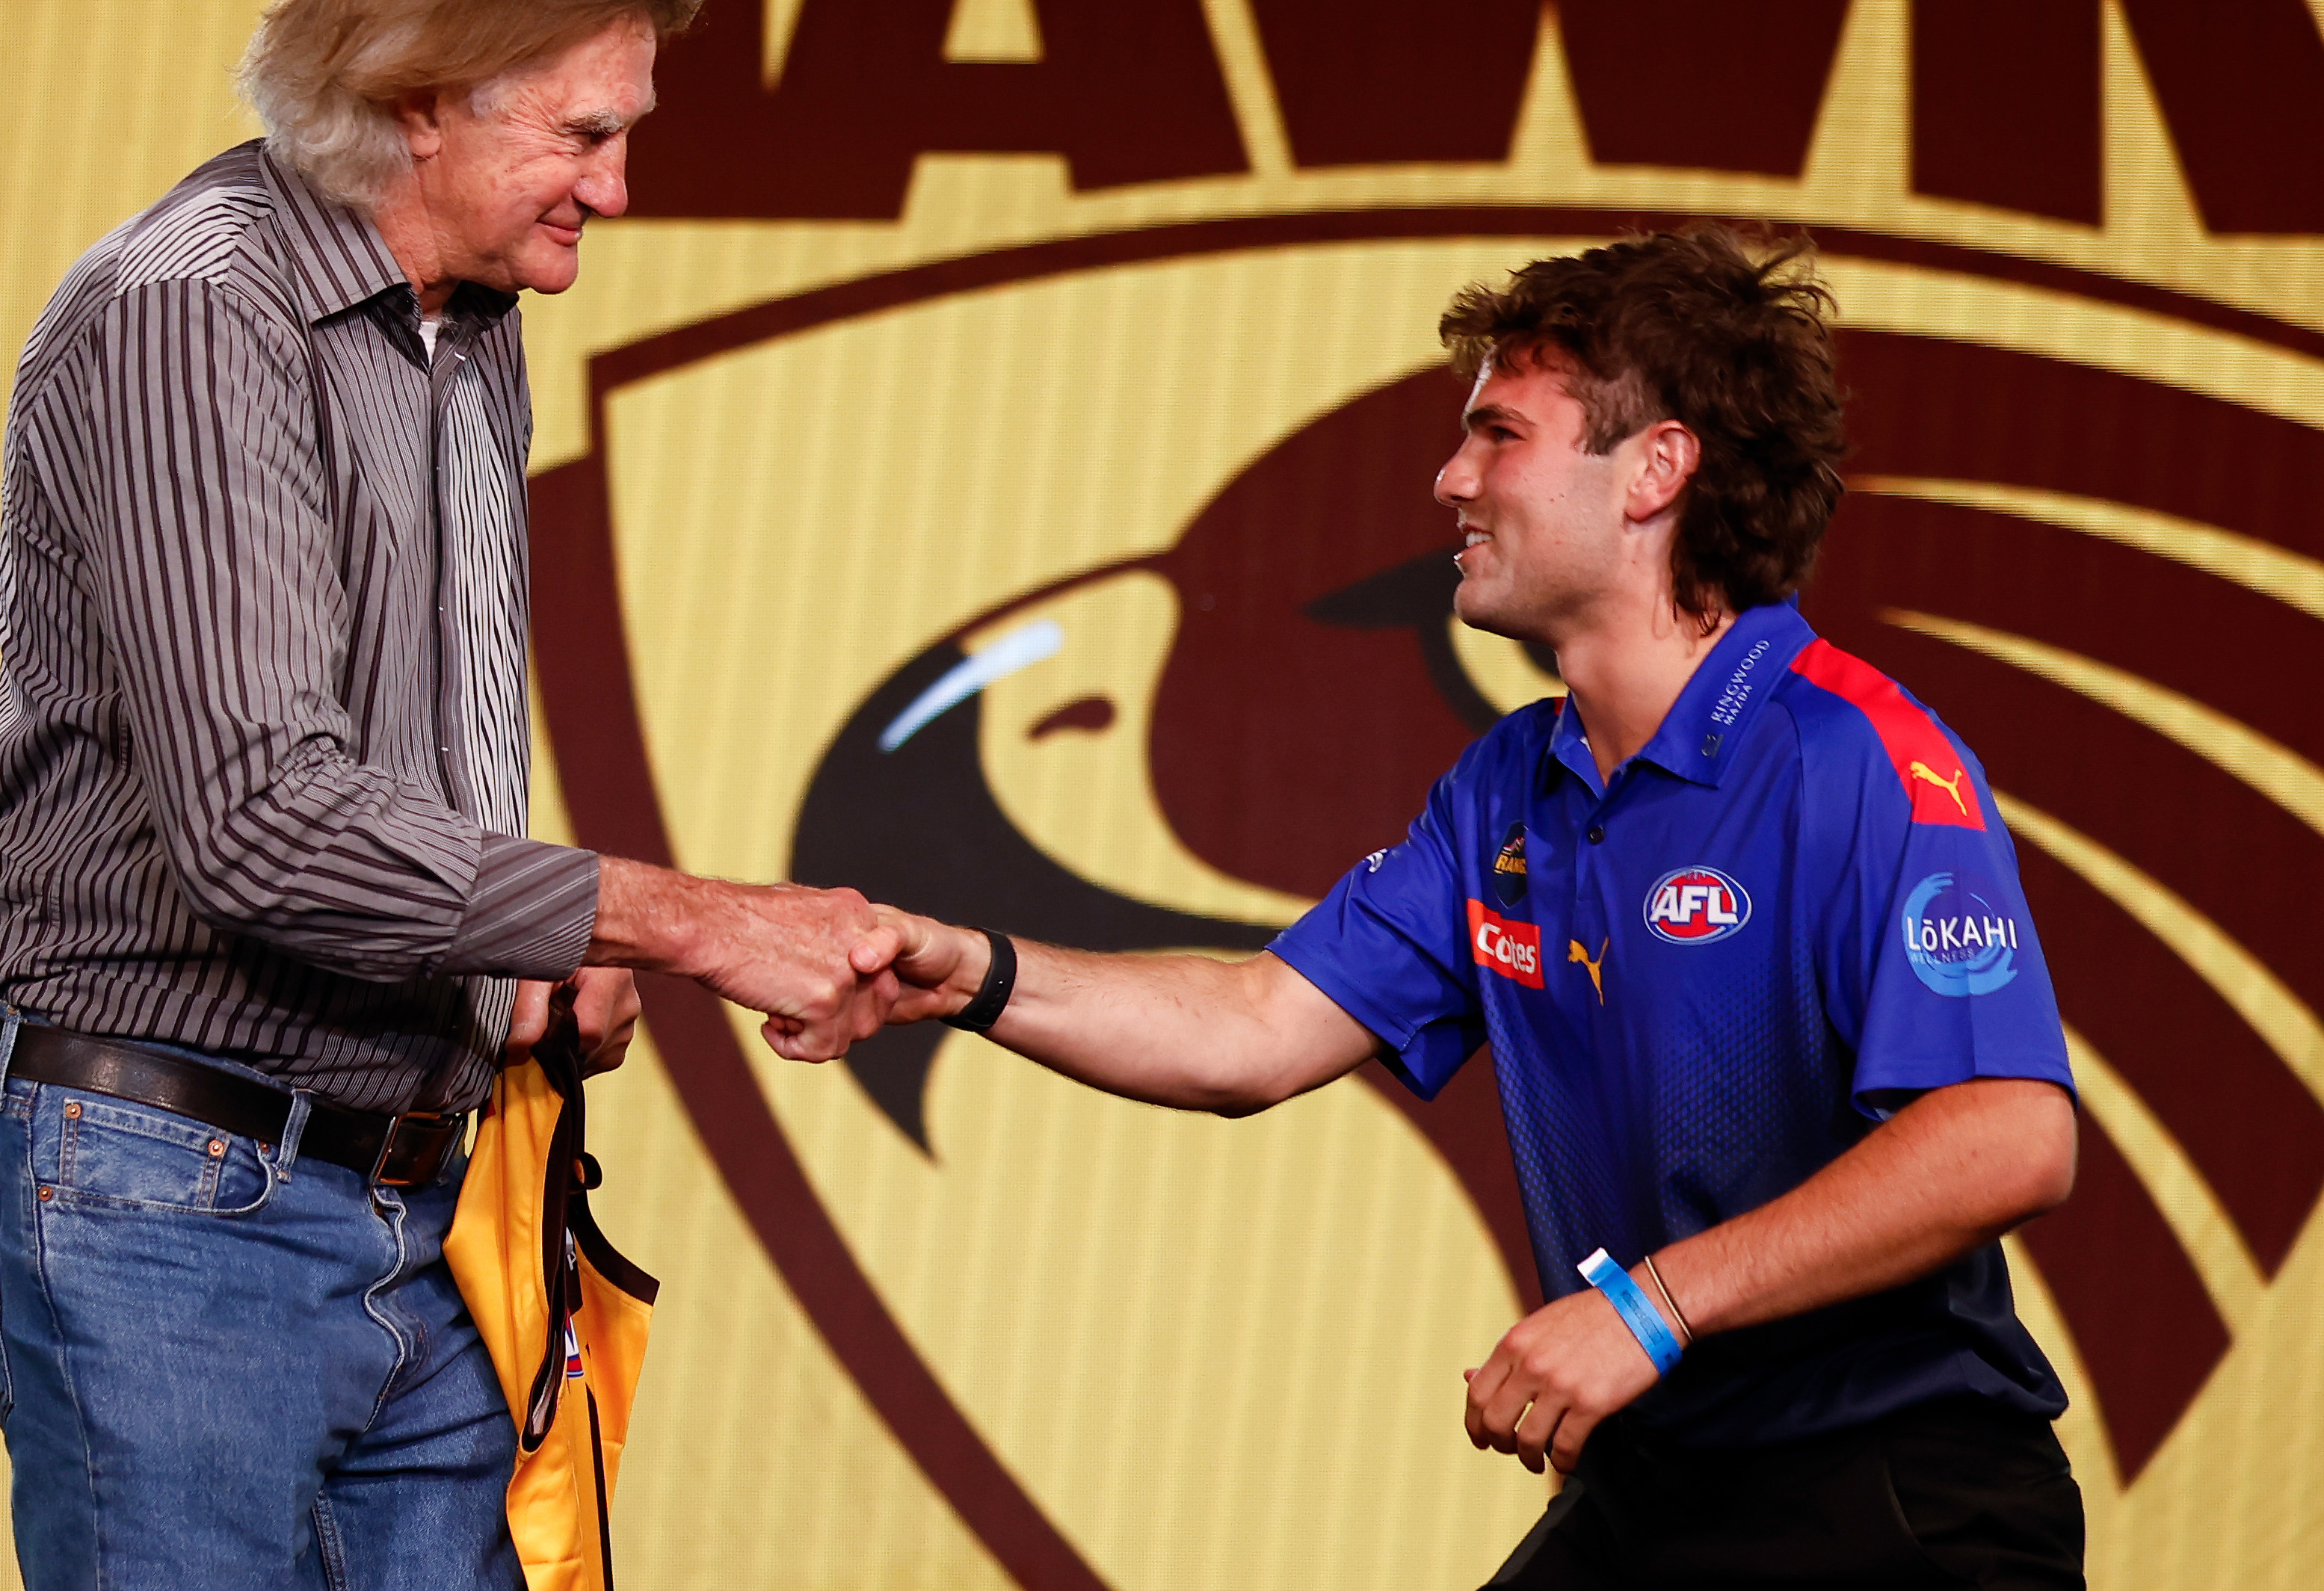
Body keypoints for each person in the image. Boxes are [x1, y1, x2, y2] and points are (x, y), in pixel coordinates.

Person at [0, 0, 900, 1590]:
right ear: (416, 101)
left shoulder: (472, 322)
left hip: (419, 1204)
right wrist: (684, 919)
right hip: (167, 1197)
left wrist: (517, 951)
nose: (620, 186)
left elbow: (397, 745)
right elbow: (262, 821)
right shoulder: (194, 309)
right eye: (586, 133)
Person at [862, 227, 2087, 1587]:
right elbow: (1251, 1030)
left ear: (1656, 470)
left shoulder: (1856, 756)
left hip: (1898, 1496)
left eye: (1498, 433)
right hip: (1657, 1481)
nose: (1450, 478)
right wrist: (968, 974)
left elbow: (2010, 1134)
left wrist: (1650, 1306)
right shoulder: (1511, 784)